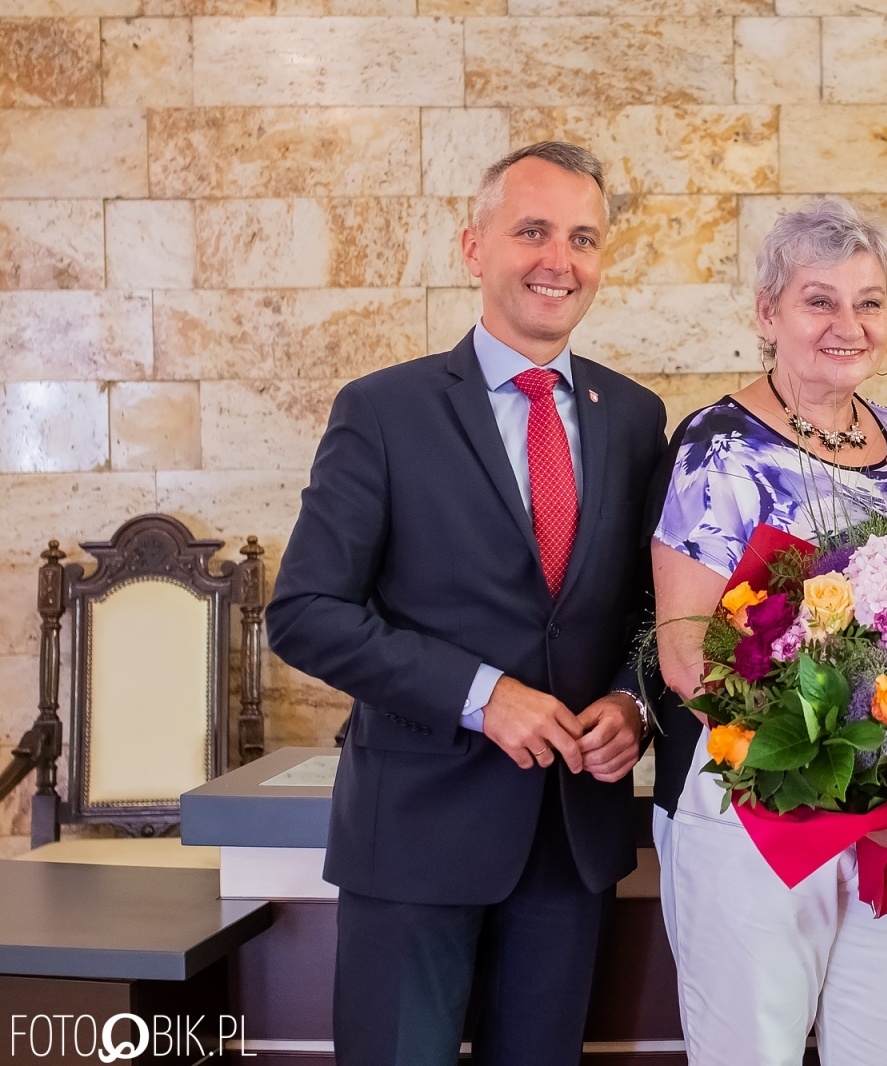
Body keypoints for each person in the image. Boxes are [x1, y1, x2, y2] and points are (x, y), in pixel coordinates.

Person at [267, 142, 667, 1066]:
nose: (557, 261)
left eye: (582, 238)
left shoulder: (636, 417)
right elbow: (306, 609)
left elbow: (655, 616)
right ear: (472, 247)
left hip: (572, 844)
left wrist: (631, 703)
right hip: (414, 833)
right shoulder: (382, 411)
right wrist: (484, 695)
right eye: (531, 231)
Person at [649, 199, 887, 1066]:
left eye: (868, 302)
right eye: (818, 300)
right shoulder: (721, 447)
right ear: (767, 313)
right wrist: (851, 802)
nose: (847, 324)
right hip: (755, 810)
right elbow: (686, 659)